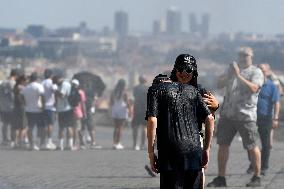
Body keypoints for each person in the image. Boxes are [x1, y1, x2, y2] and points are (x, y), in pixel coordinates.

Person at [146, 54, 215, 189]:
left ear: (194, 72)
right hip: (194, 148)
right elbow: (210, 118)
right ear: (175, 70)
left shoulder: (155, 90)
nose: (184, 73)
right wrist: (206, 149)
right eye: (181, 69)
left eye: (188, 70)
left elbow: (152, 120)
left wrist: (150, 152)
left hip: (170, 150)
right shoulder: (194, 90)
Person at [207, 47, 264, 187]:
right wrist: (229, 75)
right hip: (228, 114)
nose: (243, 57)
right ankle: (221, 178)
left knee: (252, 145)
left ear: (251, 57)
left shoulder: (256, 72)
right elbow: (219, 84)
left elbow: (254, 88)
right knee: (222, 144)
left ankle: (257, 176)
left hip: (246, 115)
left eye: (246, 55)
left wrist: (239, 76)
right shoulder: (232, 70)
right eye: (240, 55)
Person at [251, 64, 280, 176]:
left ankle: (264, 166)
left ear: (268, 72)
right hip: (252, 117)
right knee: (251, 142)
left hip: (266, 117)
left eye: (263, 70)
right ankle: (253, 163)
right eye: (259, 70)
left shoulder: (271, 86)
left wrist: (276, 118)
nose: (261, 72)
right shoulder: (253, 84)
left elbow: (276, 102)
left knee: (266, 144)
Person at [21, 72, 45, 151]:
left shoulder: (26, 87)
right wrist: (43, 106)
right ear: (36, 78)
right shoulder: (39, 86)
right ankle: (41, 143)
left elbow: (21, 96)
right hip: (38, 109)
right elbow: (42, 96)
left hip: (29, 109)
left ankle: (32, 144)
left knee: (30, 127)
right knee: (40, 127)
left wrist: (25, 103)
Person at [53, 73, 75, 151]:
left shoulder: (64, 84)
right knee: (64, 127)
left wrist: (55, 91)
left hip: (66, 108)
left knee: (66, 127)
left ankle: (68, 145)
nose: (56, 83)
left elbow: (62, 95)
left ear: (59, 79)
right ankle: (64, 145)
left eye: (56, 81)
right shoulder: (63, 84)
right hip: (63, 108)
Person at [110, 78, 132, 150]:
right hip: (122, 110)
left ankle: (114, 143)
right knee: (120, 127)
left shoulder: (113, 91)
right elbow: (127, 102)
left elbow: (111, 102)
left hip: (115, 109)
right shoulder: (124, 92)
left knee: (116, 127)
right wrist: (130, 110)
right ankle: (118, 143)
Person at [0, 69, 19, 146]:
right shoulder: (13, 83)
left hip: (3, 106)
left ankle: (4, 139)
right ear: (15, 75)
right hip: (12, 106)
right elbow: (14, 95)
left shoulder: (3, 83)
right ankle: (12, 140)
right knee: (13, 124)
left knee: (5, 124)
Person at [41, 69, 57, 150]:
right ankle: (49, 141)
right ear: (51, 75)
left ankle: (43, 142)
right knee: (50, 125)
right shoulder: (51, 82)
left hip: (43, 107)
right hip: (50, 107)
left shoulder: (42, 82)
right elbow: (55, 91)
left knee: (44, 125)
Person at [132, 75, 148, 150]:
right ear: (145, 80)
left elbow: (134, 97)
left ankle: (135, 144)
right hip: (145, 109)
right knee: (144, 127)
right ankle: (142, 144)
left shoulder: (135, 88)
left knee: (135, 127)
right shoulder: (148, 88)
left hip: (137, 109)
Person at [70, 79, 87, 150]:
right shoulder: (81, 92)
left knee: (75, 129)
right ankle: (79, 143)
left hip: (71, 112)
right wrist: (84, 113)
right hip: (78, 112)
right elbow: (83, 104)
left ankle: (77, 144)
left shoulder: (70, 91)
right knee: (78, 129)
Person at [12, 75, 28, 148]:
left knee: (16, 127)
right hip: (22, 107)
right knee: (23, 126)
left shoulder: (15, 87)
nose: (26, 82)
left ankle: (15, 142)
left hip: (15, 107)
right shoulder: (22, 88)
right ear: (22, 81)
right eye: (25, 81)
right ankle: (21, 142)